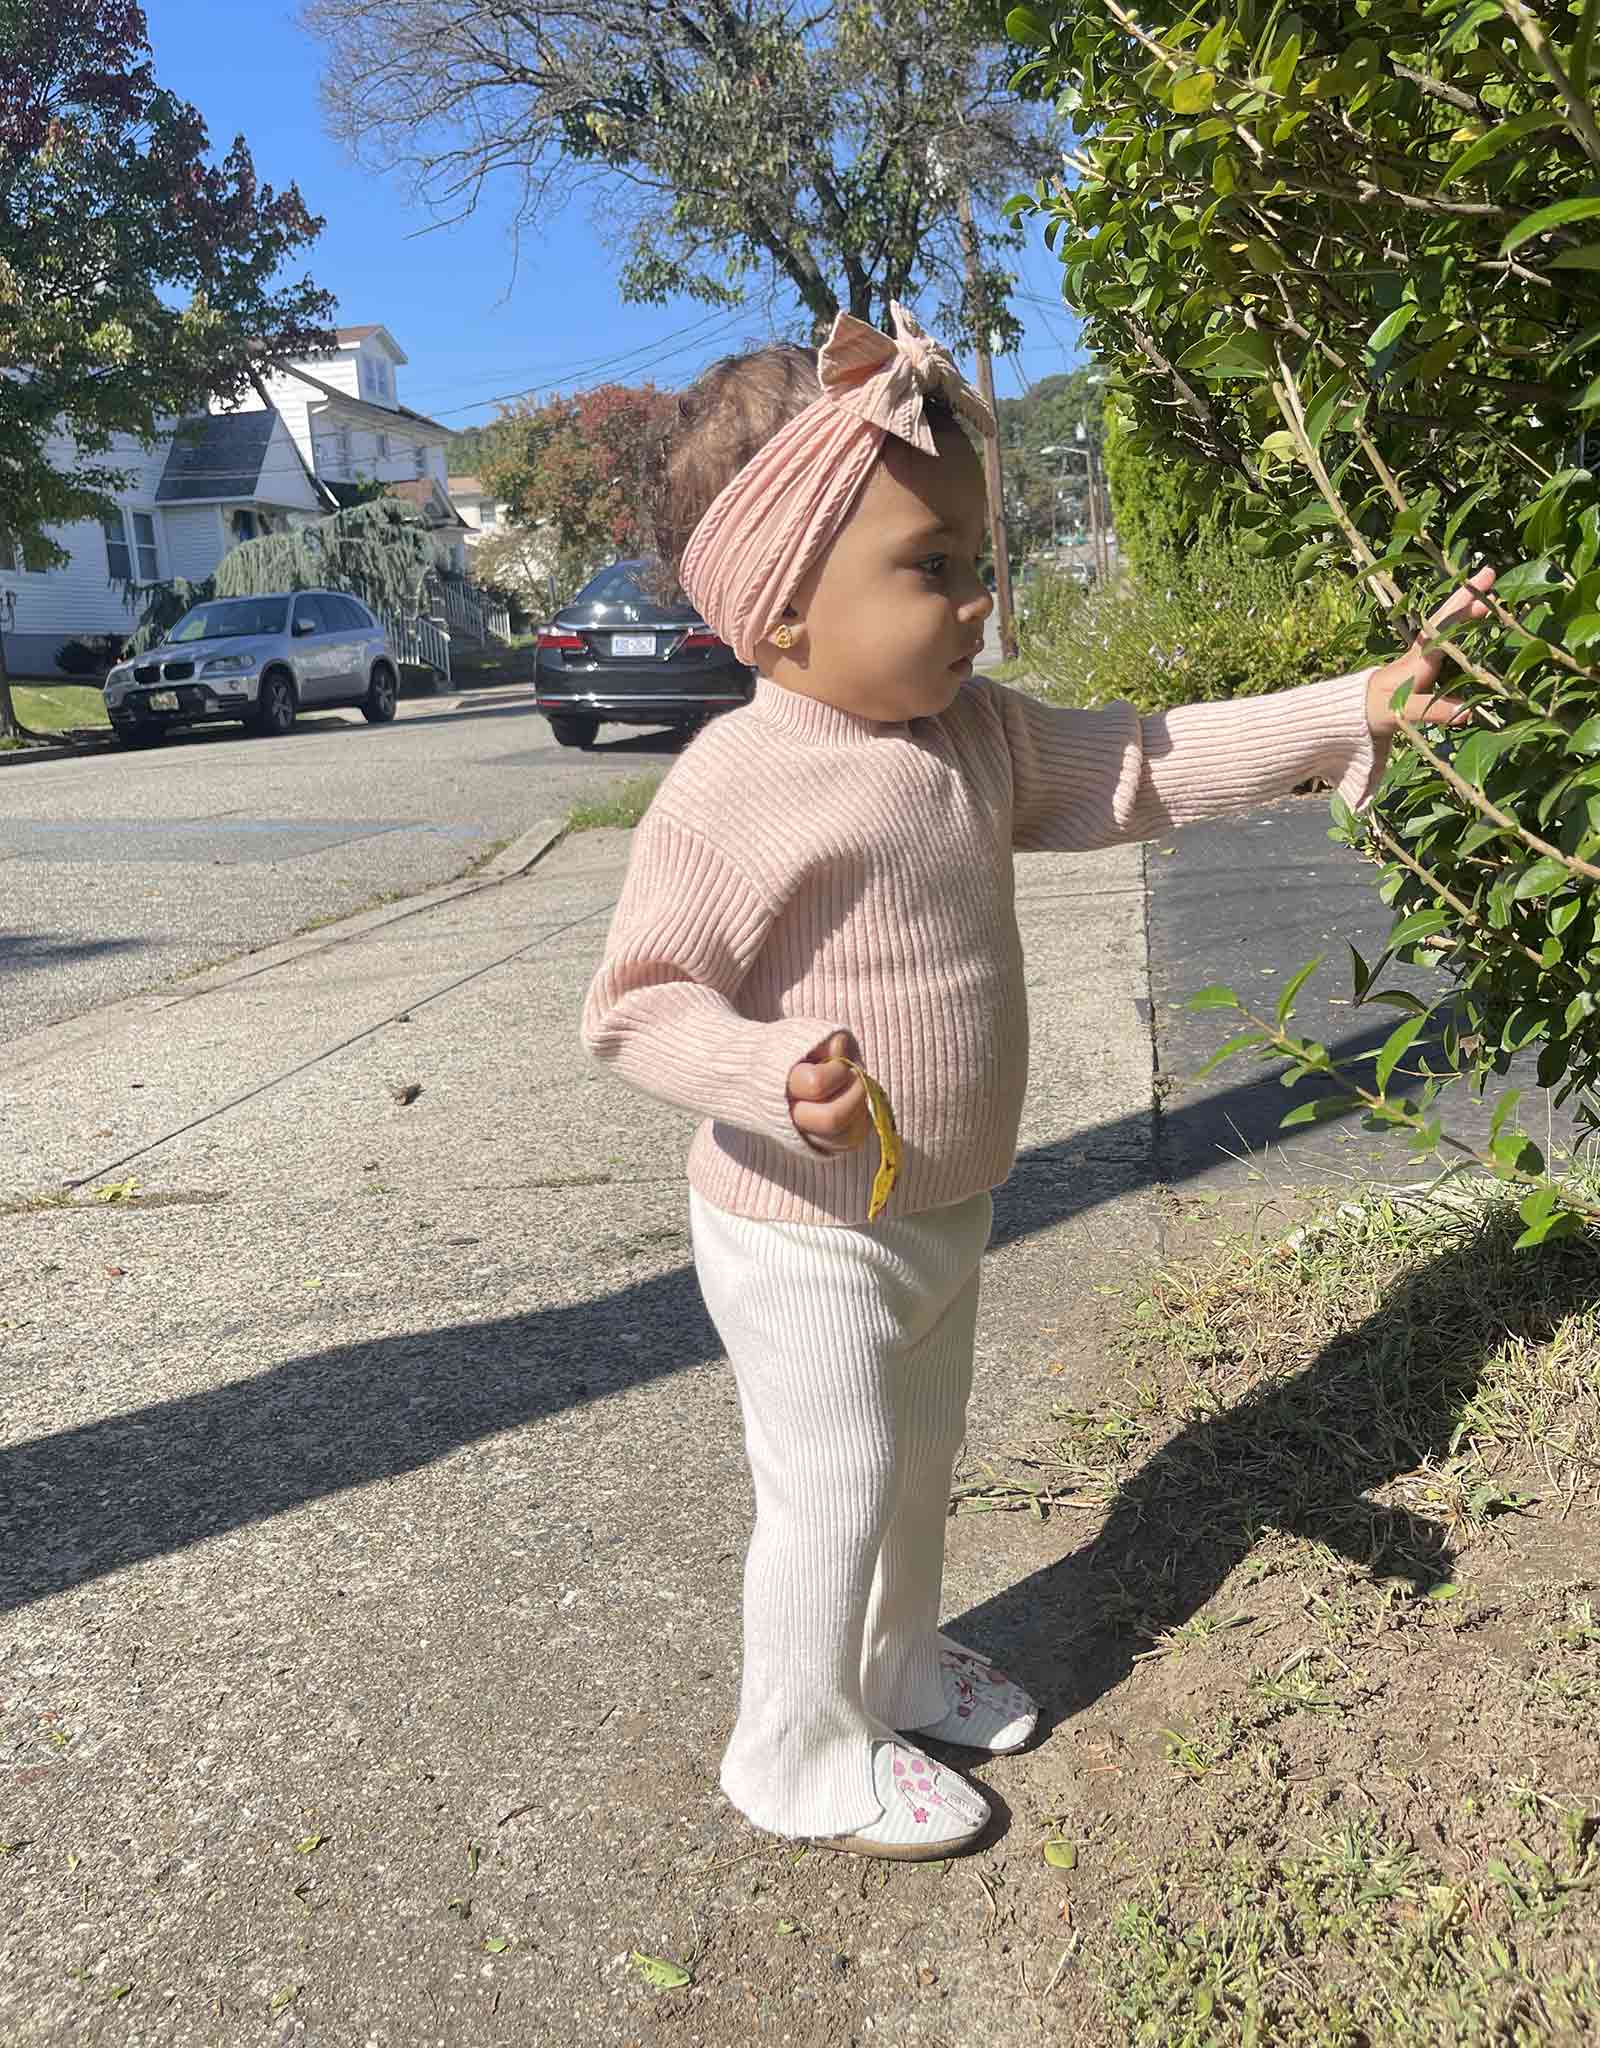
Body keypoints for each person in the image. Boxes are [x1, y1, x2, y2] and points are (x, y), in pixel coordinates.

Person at [581, 305, 1493, 1862]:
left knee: (917, 1460)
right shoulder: (737, 785)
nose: (977, 599)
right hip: (800, 1227)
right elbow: (634, 1004)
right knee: (834, 1479)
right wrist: (765, 1070)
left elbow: (1147, 759)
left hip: (942, 1209)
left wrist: (1349, 707)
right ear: (780, 608)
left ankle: (894, 1664)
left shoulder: (980, 735)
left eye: (977, 557)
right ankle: (791, 1747)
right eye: (930, 566)